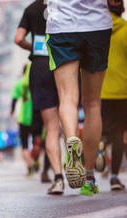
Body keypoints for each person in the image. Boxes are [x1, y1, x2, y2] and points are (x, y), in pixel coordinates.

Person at [46, 0, 112, 196]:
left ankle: (72, 140)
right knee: (92, 103)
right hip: (97, 25)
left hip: (62, 26)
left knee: (67, 98)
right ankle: (89, 178)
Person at [14, 0, 64, 194]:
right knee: (68, 117)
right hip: (64, 62)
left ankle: (58, 177)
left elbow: (18, 38)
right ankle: (81, 166)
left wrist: (33, 49)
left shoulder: (31, 9)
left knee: (50, 128)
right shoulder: (66, 5)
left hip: (41, 66)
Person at [96, 0, 127, 191]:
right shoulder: (125, 30)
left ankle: (101, 142)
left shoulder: (100, 32)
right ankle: (115, 177)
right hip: (123, 90)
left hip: (101, 89)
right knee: (119, 133)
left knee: (104, 128)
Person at [10, 64, 42, 178]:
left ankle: (29, 168)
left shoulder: (20, 84)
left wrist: (12, 110)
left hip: (23, 118)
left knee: (24, 146)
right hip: (37, 115)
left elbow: (14, 100)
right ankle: (36, 160)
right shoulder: (38, 82)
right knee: (36, 142)